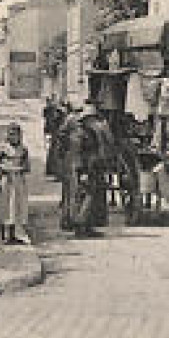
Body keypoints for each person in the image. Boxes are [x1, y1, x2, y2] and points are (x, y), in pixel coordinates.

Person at [59, 101, 117, 238]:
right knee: (86, 197)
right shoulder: (81, 135)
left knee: (85, 197)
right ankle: (81, 227)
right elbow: (80, 155)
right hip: (84, 169)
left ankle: (85, 226)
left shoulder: (86, 132)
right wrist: (83, 172)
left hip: (87, 168)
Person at [0, 122, 33, 245]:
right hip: (5, 181)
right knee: (4, 207)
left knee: (15, 208)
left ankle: (12, 235)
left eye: (16, 135)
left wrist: (19, 169)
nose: (13, 137)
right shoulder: (4, 149)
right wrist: (3, 167)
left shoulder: (23, 150)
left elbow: (27, 167)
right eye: (11, 134)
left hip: (18, 182)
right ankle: (2, 236)